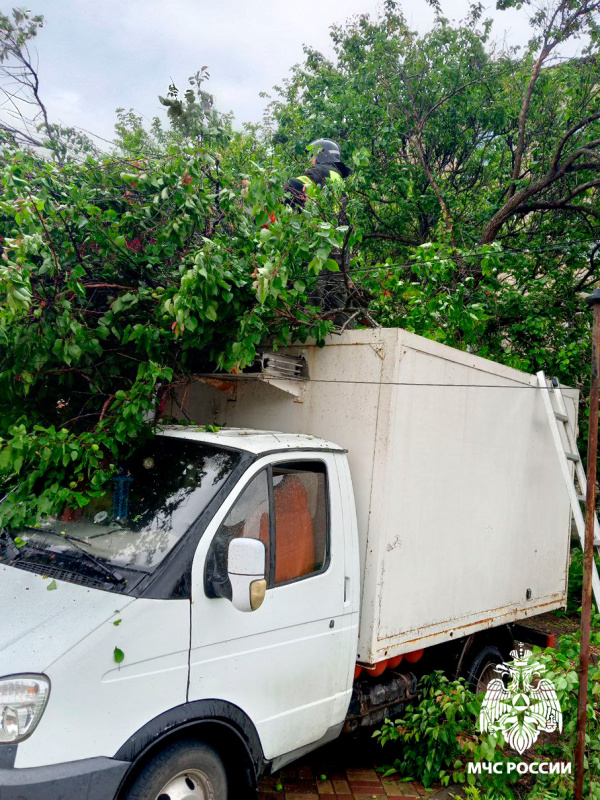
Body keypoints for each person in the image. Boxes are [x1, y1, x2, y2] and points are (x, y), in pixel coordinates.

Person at [284, 139, 355, 323]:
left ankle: (307, 328)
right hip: (340, 249)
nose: (311, 161)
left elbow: (293, 186)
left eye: (312, 156)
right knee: (336, 299)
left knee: (312, 297)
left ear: (320, 155)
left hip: (320, 246)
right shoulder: (339, 181)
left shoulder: (319, 173)